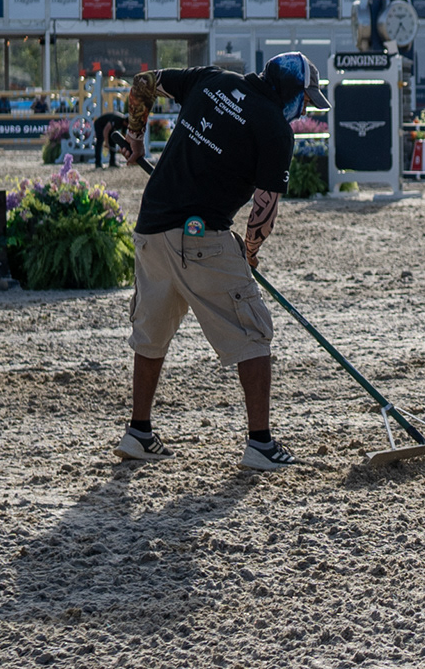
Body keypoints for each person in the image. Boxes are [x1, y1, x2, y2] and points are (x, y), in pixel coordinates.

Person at [114, 53, 327, 470]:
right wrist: (249, 254)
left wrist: (134, 136)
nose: (304, 111)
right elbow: (263, 210)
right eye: (305, 100)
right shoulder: (275, 129)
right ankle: (261, 444)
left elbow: (143, 82)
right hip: (202, 238)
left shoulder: (209, 79)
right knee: (253, 333)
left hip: (151, 228)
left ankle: (138, 431)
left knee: (150, 333)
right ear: (290, 94)